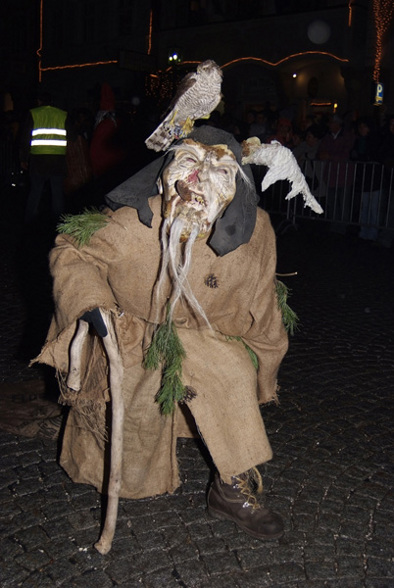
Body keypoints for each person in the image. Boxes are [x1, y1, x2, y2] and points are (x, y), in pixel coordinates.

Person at [35, 125, 290, 542]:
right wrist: (91, 303)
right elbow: (71, 250)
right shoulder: (135, 222)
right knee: (131, 464)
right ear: (164, 172)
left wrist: (261, 364)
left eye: (217, 172)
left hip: (209, 335)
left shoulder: (254, 232)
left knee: (229, 368)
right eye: (188, 164)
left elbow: (264, 304)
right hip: (136, 333)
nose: (197, 182)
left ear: (236, 186)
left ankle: (230, 488)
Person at [19, 90, 68, 225]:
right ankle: (58, 224)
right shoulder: (62, 114)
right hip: (57, 160)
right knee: (57, 192)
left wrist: (23, 158)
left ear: (39, 101)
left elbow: (25, 138)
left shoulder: (34, 113)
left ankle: (29, 221)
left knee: (35, 190)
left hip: (38, 159)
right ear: (51, 101)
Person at [317, 113, 355, 229]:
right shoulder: (327, 137)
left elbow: (346, 154)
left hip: (344, 174)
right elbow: (321, 153)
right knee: (332, 202)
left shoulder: (347, 136)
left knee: (343, 203)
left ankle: (342, 227)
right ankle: (334, 225)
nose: (330, 125)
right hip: (331, 174)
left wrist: (330, 156)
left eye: (332, 122)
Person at [350, 116, 383, 241]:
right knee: (364, 206)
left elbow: (373, 156)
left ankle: (372, 232)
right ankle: (364, 231)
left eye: (363, 126)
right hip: (363, 178)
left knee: (373, 207)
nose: (361, 129)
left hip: (374, 179)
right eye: (360, 127)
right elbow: (354, 154)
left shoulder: (374, 140)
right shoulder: (359, 141)